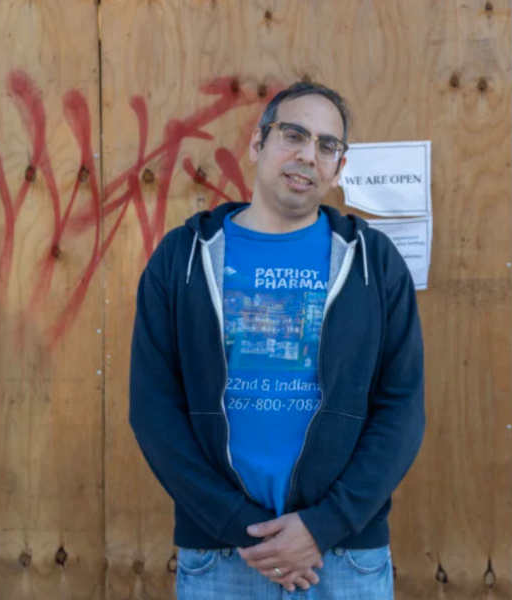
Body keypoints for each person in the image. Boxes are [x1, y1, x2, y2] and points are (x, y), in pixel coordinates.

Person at [129, 81, 425, 599]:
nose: (308, 155)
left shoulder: (375, 266)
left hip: (344, 554)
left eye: (327, 145)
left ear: (338, 168)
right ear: (258, 143)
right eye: (293, 134)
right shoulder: (181, 261)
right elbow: (154, 411)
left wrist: (323, 526)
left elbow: (401, 409)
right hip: (222, 555)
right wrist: (242, 528)